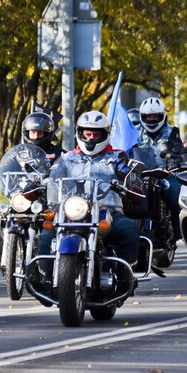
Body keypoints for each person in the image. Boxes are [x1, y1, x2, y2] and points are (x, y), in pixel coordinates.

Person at [37, 110, 140, 287]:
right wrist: (44, 180)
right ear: (80, 133)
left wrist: (130, 179)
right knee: (47, 233)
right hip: (72, 212)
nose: (91, 138)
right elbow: (52, 174)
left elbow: (128, 174)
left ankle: (125, 277)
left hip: (107, 210)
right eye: (88, 134)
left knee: (128, 229)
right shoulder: (68, 158)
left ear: (104, 135)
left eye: (96, 134)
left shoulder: (116, 156)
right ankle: (44, 278)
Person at [0, 112, 63, 277]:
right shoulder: (18, 153)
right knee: (2, 216)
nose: (36, 136)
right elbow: (5, 166)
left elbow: (65, 169)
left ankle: (51, 262)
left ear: (48, 134)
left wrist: (57, 175)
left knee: (53, 224)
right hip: (22, 196)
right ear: (26, 133)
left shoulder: (59, 154)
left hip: (46, 199)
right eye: (32, 132)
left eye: (40, 133)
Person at [129, 97, 183, 240]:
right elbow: (124, 150)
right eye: (149, 117)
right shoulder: (133, 132)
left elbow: (178, 149)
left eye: (155, 116)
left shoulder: (172, 131)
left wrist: (176, 159)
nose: (152, 120)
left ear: (162, 116)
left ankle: (178, 231)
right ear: (142, 117)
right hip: (140, 175)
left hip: (165, 175)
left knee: (175, 195)